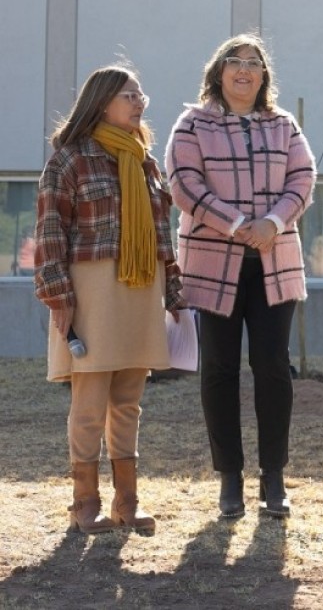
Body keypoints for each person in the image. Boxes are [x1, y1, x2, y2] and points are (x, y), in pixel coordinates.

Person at [166, 34, 316, 520]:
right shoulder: (191, 123)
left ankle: (273, 476)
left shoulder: (283, 125)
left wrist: (271, 223)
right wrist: (236, 224)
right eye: (236, 62)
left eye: (255, 63)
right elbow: (184, 184)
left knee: (273, 365)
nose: (245, 70)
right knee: (220, 369)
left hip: (275, 260)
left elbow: (303, 177)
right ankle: (229, 476)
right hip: (214, 262)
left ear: (264, 76)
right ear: (219, 71)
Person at [35, 65, 185, 534]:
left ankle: (127, 500)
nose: (140, 100)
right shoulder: (69, 159)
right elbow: (49, 232)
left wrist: (174, 289)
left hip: (141, 290)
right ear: (101, 102)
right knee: (90, 399)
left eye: (141, 93)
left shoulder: (144, 160)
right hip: (92, 290)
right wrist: (59, 295)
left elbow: (163, 235)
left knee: (128, 399)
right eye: (128, 94)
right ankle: (85, 502)